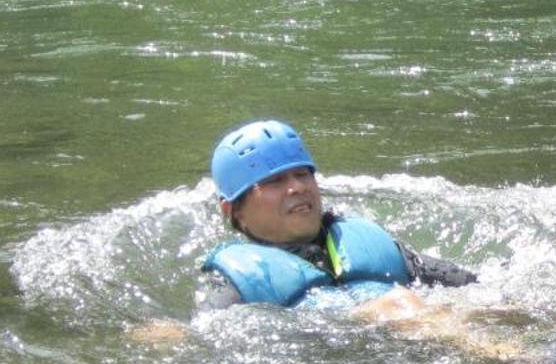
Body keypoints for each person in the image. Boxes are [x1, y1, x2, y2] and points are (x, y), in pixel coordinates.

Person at [199, 119, 478, 311]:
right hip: (327, 351)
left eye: (302, 174)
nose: (297, 187)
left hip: (415, 331)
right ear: (233, 210)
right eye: (274, 182)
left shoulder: (362, 239)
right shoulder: (236, 282)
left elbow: (468, 285)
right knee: (402, 304)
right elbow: (205, 331)